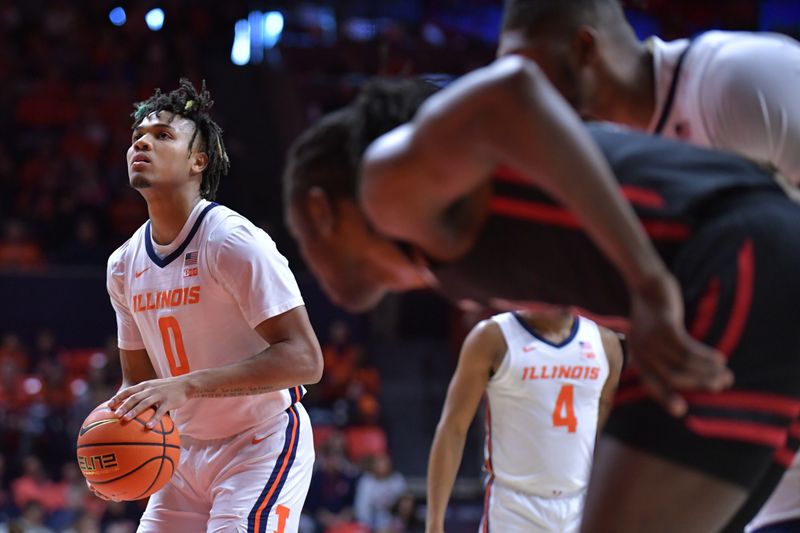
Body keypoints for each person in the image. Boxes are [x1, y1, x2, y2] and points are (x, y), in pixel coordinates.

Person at [284, 59, 800, 532]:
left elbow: (514, 87)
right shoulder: (438, 249)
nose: (310, 269)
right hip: (756, 261)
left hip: (734, 257)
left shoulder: (389, 182)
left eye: (303, 242)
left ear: (320, 212)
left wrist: (648, 282)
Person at [496, 2, 800, 528]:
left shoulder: (738, 79)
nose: (522, 100)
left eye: (528, 74)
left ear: (584, 51)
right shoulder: (603, 178)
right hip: (766, 446)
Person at [97, 79, 323, 533]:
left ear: (198, 161)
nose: (142, 141)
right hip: (178, 452)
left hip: (259, 442)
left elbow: (305, 359)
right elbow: (139, 382)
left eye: (162, 135)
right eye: (138, 135)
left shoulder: (231, 241)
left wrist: (188, 386)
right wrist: (112, 438)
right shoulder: (123, 264)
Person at [497, 0, 800, 186]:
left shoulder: (736, 79)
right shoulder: (597, 156)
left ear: (584, 49)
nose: (513, 86)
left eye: (524, 66)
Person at [426, 310, 622, 532]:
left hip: (580, 504)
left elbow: (604, 437)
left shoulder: (605, 343)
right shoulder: (492, 337)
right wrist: (434, 524)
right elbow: (453, 428)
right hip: (514, 508)